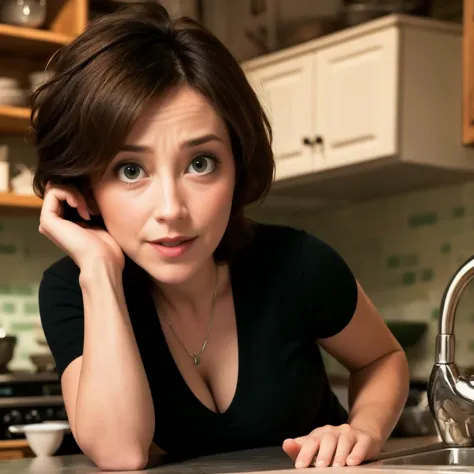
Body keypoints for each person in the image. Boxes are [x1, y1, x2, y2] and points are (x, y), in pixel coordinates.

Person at [32, 3, 409, 471]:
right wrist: (99, 271)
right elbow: (120, 452)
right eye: (130, 170)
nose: (171, 209)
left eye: (200, 163)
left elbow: (382, 358)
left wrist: (363, 429)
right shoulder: (75, 288)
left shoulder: (299, 263)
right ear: (87, 187)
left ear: (237, 165)